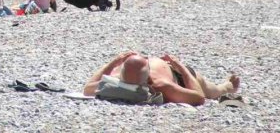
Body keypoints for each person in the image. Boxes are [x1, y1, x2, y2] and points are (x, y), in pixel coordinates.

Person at [82, 51, 241, 106]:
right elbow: (199, 97)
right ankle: (226, 89)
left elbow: (88, 87)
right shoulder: (161, 85)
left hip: (167, 70)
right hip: (173, 71)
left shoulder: (118, 79)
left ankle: (226, 88)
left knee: (211, 90)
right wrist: (181, 67)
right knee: (210, 92)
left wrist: (114, 61)